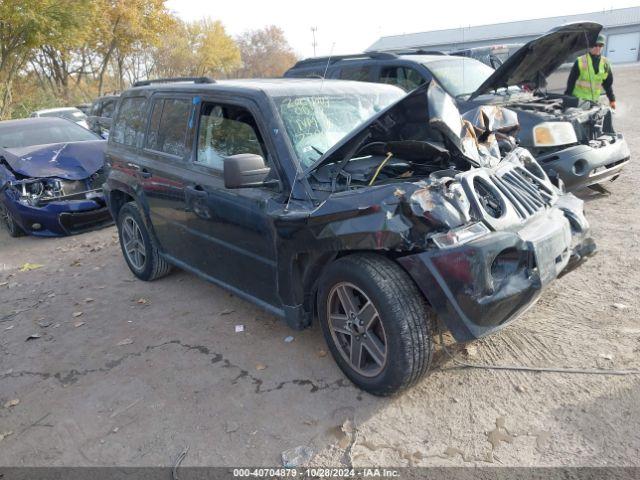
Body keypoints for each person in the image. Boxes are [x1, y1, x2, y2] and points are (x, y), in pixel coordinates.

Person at [565, 34, 616, 109]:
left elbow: (608, 85)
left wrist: (612, 100)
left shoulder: (606, 63)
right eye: (595, 45)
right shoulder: (580, 61)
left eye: (600, 45)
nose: (598, 47)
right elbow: (571, 82)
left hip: (594, 102)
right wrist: (567, 100)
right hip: (579, 101)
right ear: (590, 45)